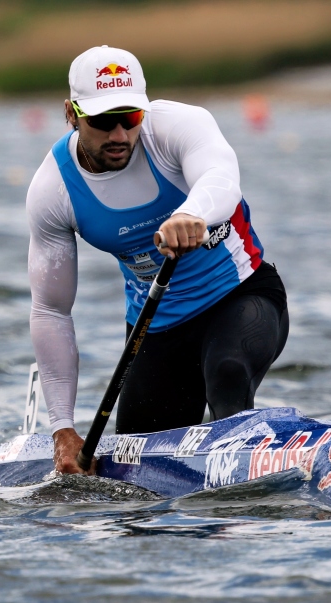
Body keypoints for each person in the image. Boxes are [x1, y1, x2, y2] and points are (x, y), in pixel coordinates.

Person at [27, 46, 288, 474]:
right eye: (102, 121)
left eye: (130, 118)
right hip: (155, 326)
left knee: (227, 373)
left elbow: (221, 177)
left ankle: (244, 510)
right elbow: (51, 310)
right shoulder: (52, 191)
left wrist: (191, 215)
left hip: (242, 297)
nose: (118, 135)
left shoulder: (178, 126)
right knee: (135, 478)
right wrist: (62, 429)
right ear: (71, 115)